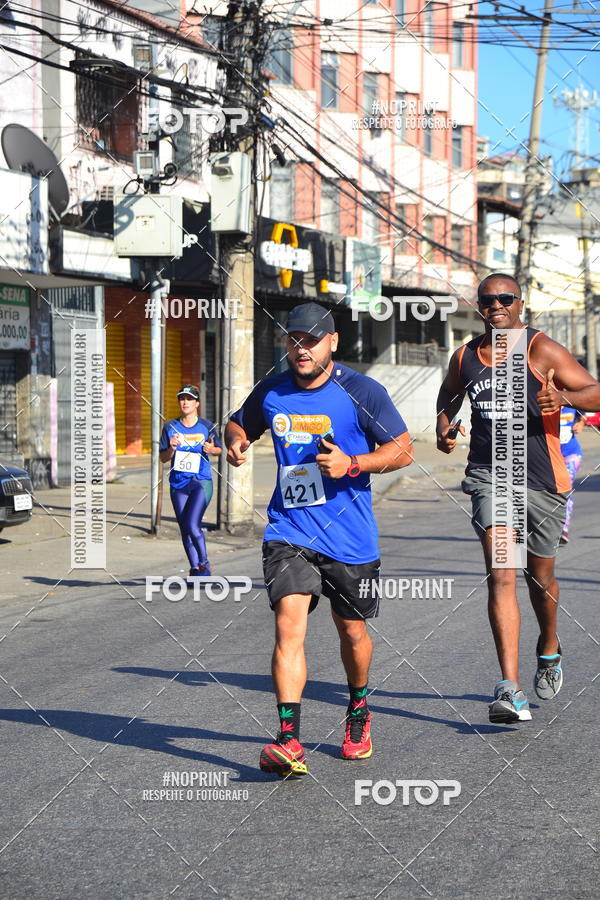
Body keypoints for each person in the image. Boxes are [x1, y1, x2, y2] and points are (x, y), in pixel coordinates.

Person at [225, 302, 413, 777]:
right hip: (289, 529)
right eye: (294, 339)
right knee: (288, 625)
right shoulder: (272, 389)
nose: (301, 348)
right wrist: (236, 442)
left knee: (351, 631)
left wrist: (352, 464)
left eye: (311, 340)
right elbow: (238, 421)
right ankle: (289, 739)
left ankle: (359, 708)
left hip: (350, 537)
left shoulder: (362, 391)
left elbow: (403, 450)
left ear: (333, 342)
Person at [436, 273, 600, 724]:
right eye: (488, 301)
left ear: (520, 304)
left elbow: (595, 391)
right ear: (479, 307)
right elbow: (448, 394)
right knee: (502, 573)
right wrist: (444, 427)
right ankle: (510, 689)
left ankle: (549, 644)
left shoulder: (540, 349)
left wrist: (562, 397)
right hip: (490, 477)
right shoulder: (466, 356)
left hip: (542, 480)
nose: (497, 307)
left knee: (540, 578)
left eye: (505, 299)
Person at [159, 384, 222, 576]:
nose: (185, 402)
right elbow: (163, 458)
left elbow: (219, 449)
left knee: (193, 524)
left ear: (197, 403)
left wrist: (212, 450)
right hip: (178, 484)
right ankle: (194, 568)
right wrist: (171, 448)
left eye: (189, 399)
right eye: (182, 399)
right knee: (185, 528)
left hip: (201, 482)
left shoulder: (207, 426)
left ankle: (204, 564)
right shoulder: (170, 427)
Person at [559, 406, 586, 544]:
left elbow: (583, 415)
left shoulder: (571, 402)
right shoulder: (545, 404)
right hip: (549, 457)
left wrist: (580, 423)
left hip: (571, 454)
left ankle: (563, 528)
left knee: (565, 490)